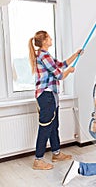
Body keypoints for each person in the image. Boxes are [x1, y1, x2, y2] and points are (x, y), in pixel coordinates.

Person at [28, 30, 82, 170]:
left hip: (52, 95)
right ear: (45, 41)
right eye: (49, 37)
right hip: (46, 96)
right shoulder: (44, 55)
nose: (51, 38)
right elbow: (59, 75)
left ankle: (56, 153)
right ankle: (38, 160)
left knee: (54, 125)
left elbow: (61, 65)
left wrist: (76, 55)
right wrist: (69, 71)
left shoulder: (46, 55)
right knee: (45, 127)